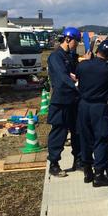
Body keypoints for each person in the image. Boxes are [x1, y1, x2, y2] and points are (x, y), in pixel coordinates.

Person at [76, 39, 108, 187]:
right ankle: (99, 174)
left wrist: (89, 58)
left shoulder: (82, 65)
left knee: (85, 138)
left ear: (97, 51)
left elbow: (79, 75)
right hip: (99, 107)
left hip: (83, 105)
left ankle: (87, 171)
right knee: (101, 139)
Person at [46, 27, 83, 177]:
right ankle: (54, 164)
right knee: (59, 132)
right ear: (68, 39)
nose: (77, 45)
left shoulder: (71, 56)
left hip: (74, 100)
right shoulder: (55, 57)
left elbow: (77, 70)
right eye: (76, 41)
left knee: (78, 131)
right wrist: (75, 84)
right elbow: (62, 76)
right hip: (61, 101)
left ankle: (79, 160)